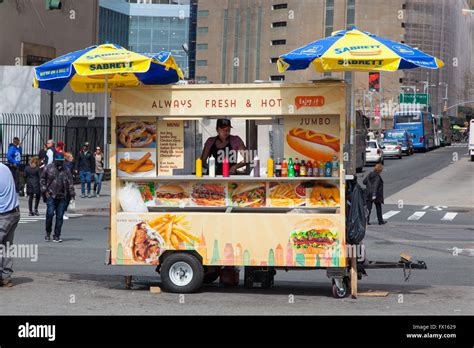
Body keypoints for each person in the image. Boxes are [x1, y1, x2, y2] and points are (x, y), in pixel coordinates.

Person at [40, 153, 75, 242]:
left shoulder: (66, 169)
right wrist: (45, 191)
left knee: (59, 216)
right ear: (55, 160)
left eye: (61, 161)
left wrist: (72, 194)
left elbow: (70, 182)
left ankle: (57, 235)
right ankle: (48, 233)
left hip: (62, 196)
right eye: (58, 161)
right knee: (50, 214)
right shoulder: (48, 167)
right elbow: (42, 179)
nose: (59, 163)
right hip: (51, 195)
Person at [0, 163, 20, 287]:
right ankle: (6, 277)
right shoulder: (4, 167)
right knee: (6, 246)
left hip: (3, 215)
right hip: (14, 212)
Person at [63, 152, 76, 220]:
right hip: (68, 184)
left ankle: (60, 212)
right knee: (67, 198)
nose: (72, 158)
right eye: (71, 157)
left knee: (64, 198)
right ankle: (63, 212)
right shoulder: (69, 164)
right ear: (68, 158)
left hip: (63, 183)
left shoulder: (64, 164)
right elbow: (69, 174)